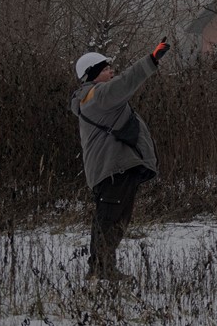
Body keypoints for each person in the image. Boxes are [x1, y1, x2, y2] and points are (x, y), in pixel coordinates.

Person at [71, 39, 169, 281]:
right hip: (112, 169)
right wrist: (152, 59)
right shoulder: (98, 96)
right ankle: (101, 270)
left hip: (115, 168)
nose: (111, 71)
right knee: (110, 220)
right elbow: (126, 82)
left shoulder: (93, 97)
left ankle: (102, 268)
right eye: (105, 69)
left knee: (113, 220)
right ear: (93, 75)